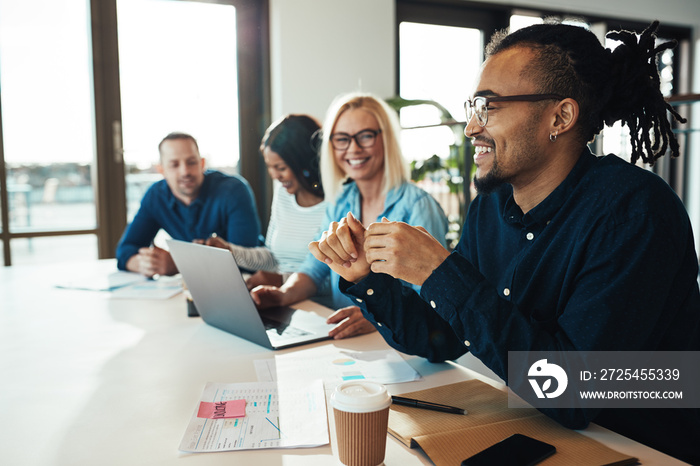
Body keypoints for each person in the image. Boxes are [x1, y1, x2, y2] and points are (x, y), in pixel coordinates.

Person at [310, 22, 700, 464]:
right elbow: (441, 340)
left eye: (489, 107)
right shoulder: (491, 207)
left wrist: (441, 273)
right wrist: (366, 278)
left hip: (643, 447)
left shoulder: (635, 213)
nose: (471, 126)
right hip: (536, 426)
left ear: (560, 117)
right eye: (473, 106)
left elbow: (575, 390)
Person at [252, 92, 450, 340]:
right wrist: (284, 294)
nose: (353, 149)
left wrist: (375, 315)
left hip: (401, 343)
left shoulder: (419, 206)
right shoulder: (341, 200)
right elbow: (315, 267)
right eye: (342, 139)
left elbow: (434, 297)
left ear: (386, 138)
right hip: (345, 339)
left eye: (365, 136)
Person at [199, 115, 327, 290]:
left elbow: (339, 281)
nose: (274, 176)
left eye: (281, 168)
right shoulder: (284, 194)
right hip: (281, 299)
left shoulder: (338, 204)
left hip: (316, 306)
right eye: (270, 166)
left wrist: (282, 281)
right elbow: (272, 258)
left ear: (305, 161)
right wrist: (229, 251)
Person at [116, 132, 262, 277]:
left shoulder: (234, 191)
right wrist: (145, 264)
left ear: (202, 164)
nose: (185, 171)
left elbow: (246, 262)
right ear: (162, 170)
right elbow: (124, 251)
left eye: (191, 162)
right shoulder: (156, 196)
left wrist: (180, 264)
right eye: (174, 165)